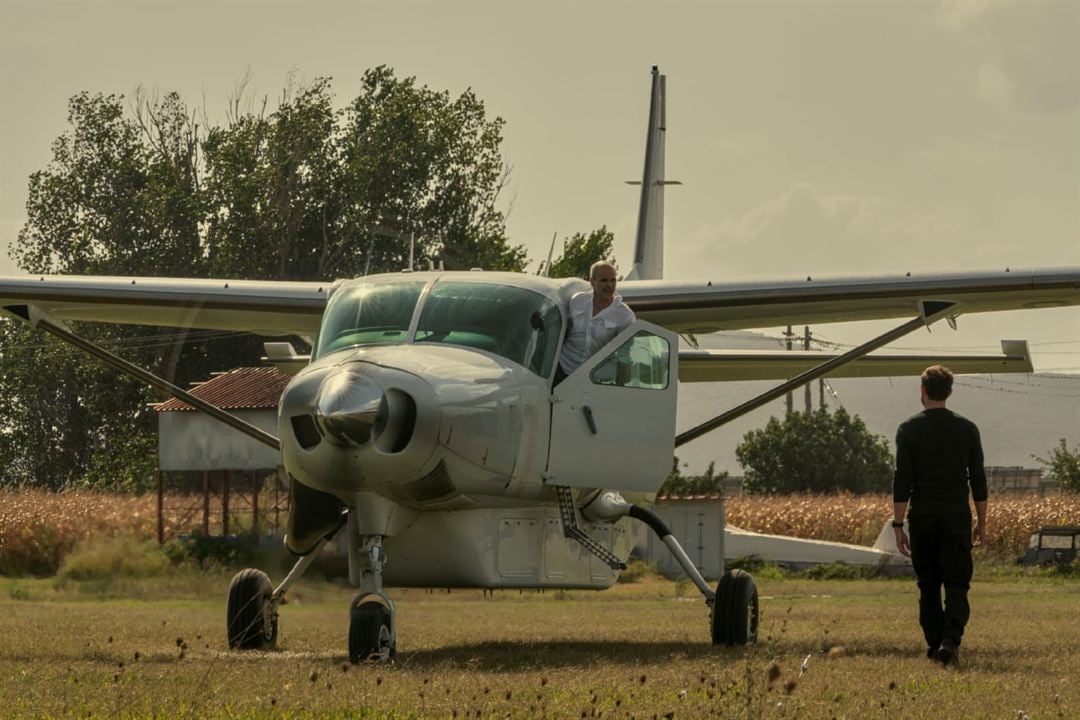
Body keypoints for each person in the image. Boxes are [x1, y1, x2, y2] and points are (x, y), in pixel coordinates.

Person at [892, 365, 987, 667]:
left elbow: (901, 480)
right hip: (956, 517)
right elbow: (978, 480)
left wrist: (898, 524)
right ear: (949, 392)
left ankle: (935, 645)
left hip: (922, 518)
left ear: (922, 390)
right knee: (957, 584)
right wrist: (981, 522)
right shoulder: (967, 429)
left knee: (928, 585)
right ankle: (950, 641)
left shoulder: (908, 429)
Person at [554, 261, 635, 384]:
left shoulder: (625, 315)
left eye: (613, 280)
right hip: (563, 369)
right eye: (604, 281)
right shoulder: (577, 301)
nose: (609, 285)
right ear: (592, 281)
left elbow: (624, 355)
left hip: (594, 378)